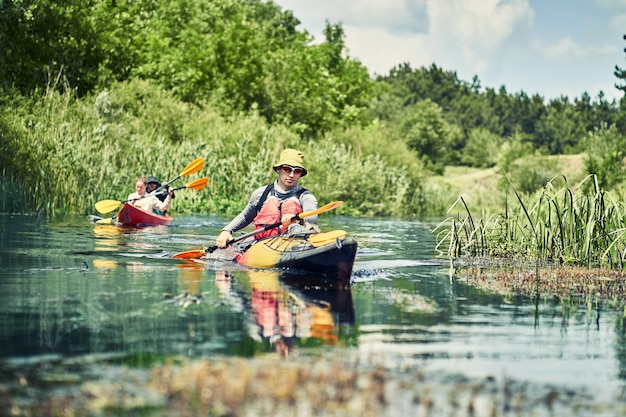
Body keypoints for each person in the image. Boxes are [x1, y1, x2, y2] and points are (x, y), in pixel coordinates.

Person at [216, 148, 318, 248]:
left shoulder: (306, 197)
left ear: (300, 174)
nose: (291, 175)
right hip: (262, 244)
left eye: (297, 171)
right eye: (287, 169)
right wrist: (226, 231)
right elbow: (245, 217)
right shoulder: (261, 194)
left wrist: (295, 217)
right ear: (278, 169)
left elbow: (311, 217)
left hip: (293, 243)